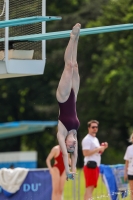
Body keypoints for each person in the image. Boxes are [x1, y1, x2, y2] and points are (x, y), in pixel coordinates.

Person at [56, 23, 81, 180]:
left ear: (66, 142)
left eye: (69, 146)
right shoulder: (75, 132)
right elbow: (74, 155)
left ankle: (72, 37)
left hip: (64, 98)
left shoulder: (62, 132)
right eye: (73, 147)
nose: (72, 146)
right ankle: (77, 37)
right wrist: (74, 169)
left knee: (69, 66)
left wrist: (67, 171)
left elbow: (66, 154)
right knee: (76, 66)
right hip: (74, 96)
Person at [81, 120, 108, 200]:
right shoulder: (87, 139)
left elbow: (98, 152)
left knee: (91, 188)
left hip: (96, 165)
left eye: (96, 127)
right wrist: (98, 149)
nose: (95, 129)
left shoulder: (95, 139)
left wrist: (103, 148)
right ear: (88, 128)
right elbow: (85, 153)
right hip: (90, 166)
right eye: (93, 127)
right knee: (89, 189)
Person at [124, 133, 133, 200]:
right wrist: (125, 173)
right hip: (131, 172)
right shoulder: (129, 148)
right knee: (132, 191)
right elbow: (126, 162)